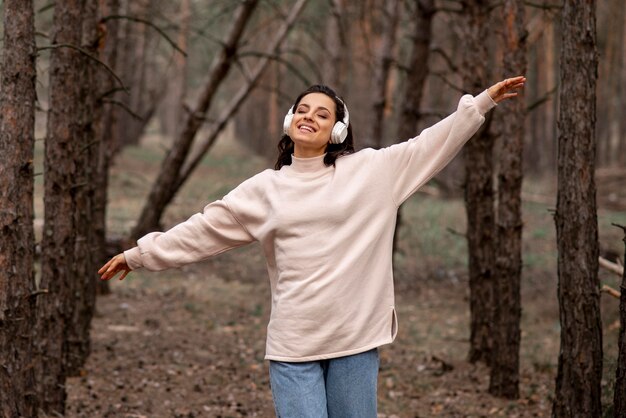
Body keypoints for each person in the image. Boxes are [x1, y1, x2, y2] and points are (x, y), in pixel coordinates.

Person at [99, 76, 525, 418]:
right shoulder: (265, 189)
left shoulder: (371, 172)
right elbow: (203, 230)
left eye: (322, 114)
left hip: (354, 341)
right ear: (289, 120)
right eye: (302, 110)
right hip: (293, 345)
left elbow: (428, 145)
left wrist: (480, 103)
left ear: (337, 129)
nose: (309, 117)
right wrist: (139, 255)